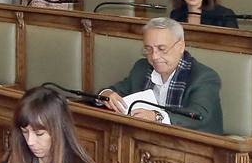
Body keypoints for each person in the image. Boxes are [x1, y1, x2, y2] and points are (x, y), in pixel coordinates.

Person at [94, 18, 224, 134]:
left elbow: (197, 116)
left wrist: (157, 117)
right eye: (149, 49)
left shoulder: (204, 77)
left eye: (162, 49)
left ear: (181, 46)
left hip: (194, 147)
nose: (154, 56)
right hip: (145, 139)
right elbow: (115, 91)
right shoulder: (142, 68)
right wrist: (107, 95)